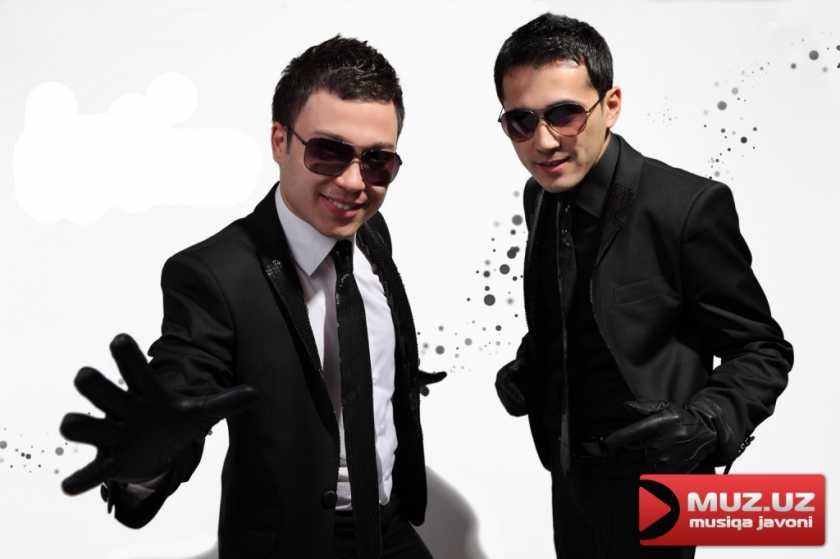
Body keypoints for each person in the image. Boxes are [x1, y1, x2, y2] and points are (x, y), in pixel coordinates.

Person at [59, 35, 444, 559]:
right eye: (328, 152)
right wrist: (146, 466)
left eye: (377, 161)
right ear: (280, 141)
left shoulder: (371, 233)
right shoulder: (213, 274)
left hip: (389, 527)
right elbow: (184, 386)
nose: (355, 183)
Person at [491, 13, 793, 559]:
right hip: (570, 479)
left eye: (564, 115)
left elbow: (762, 348)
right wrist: (531, 366)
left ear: (610, 105)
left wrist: (708, 424)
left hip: (661, 485)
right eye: (521, 121)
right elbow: (580, 311)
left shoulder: (686, 207)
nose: (544, 141)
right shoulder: (541, 197)